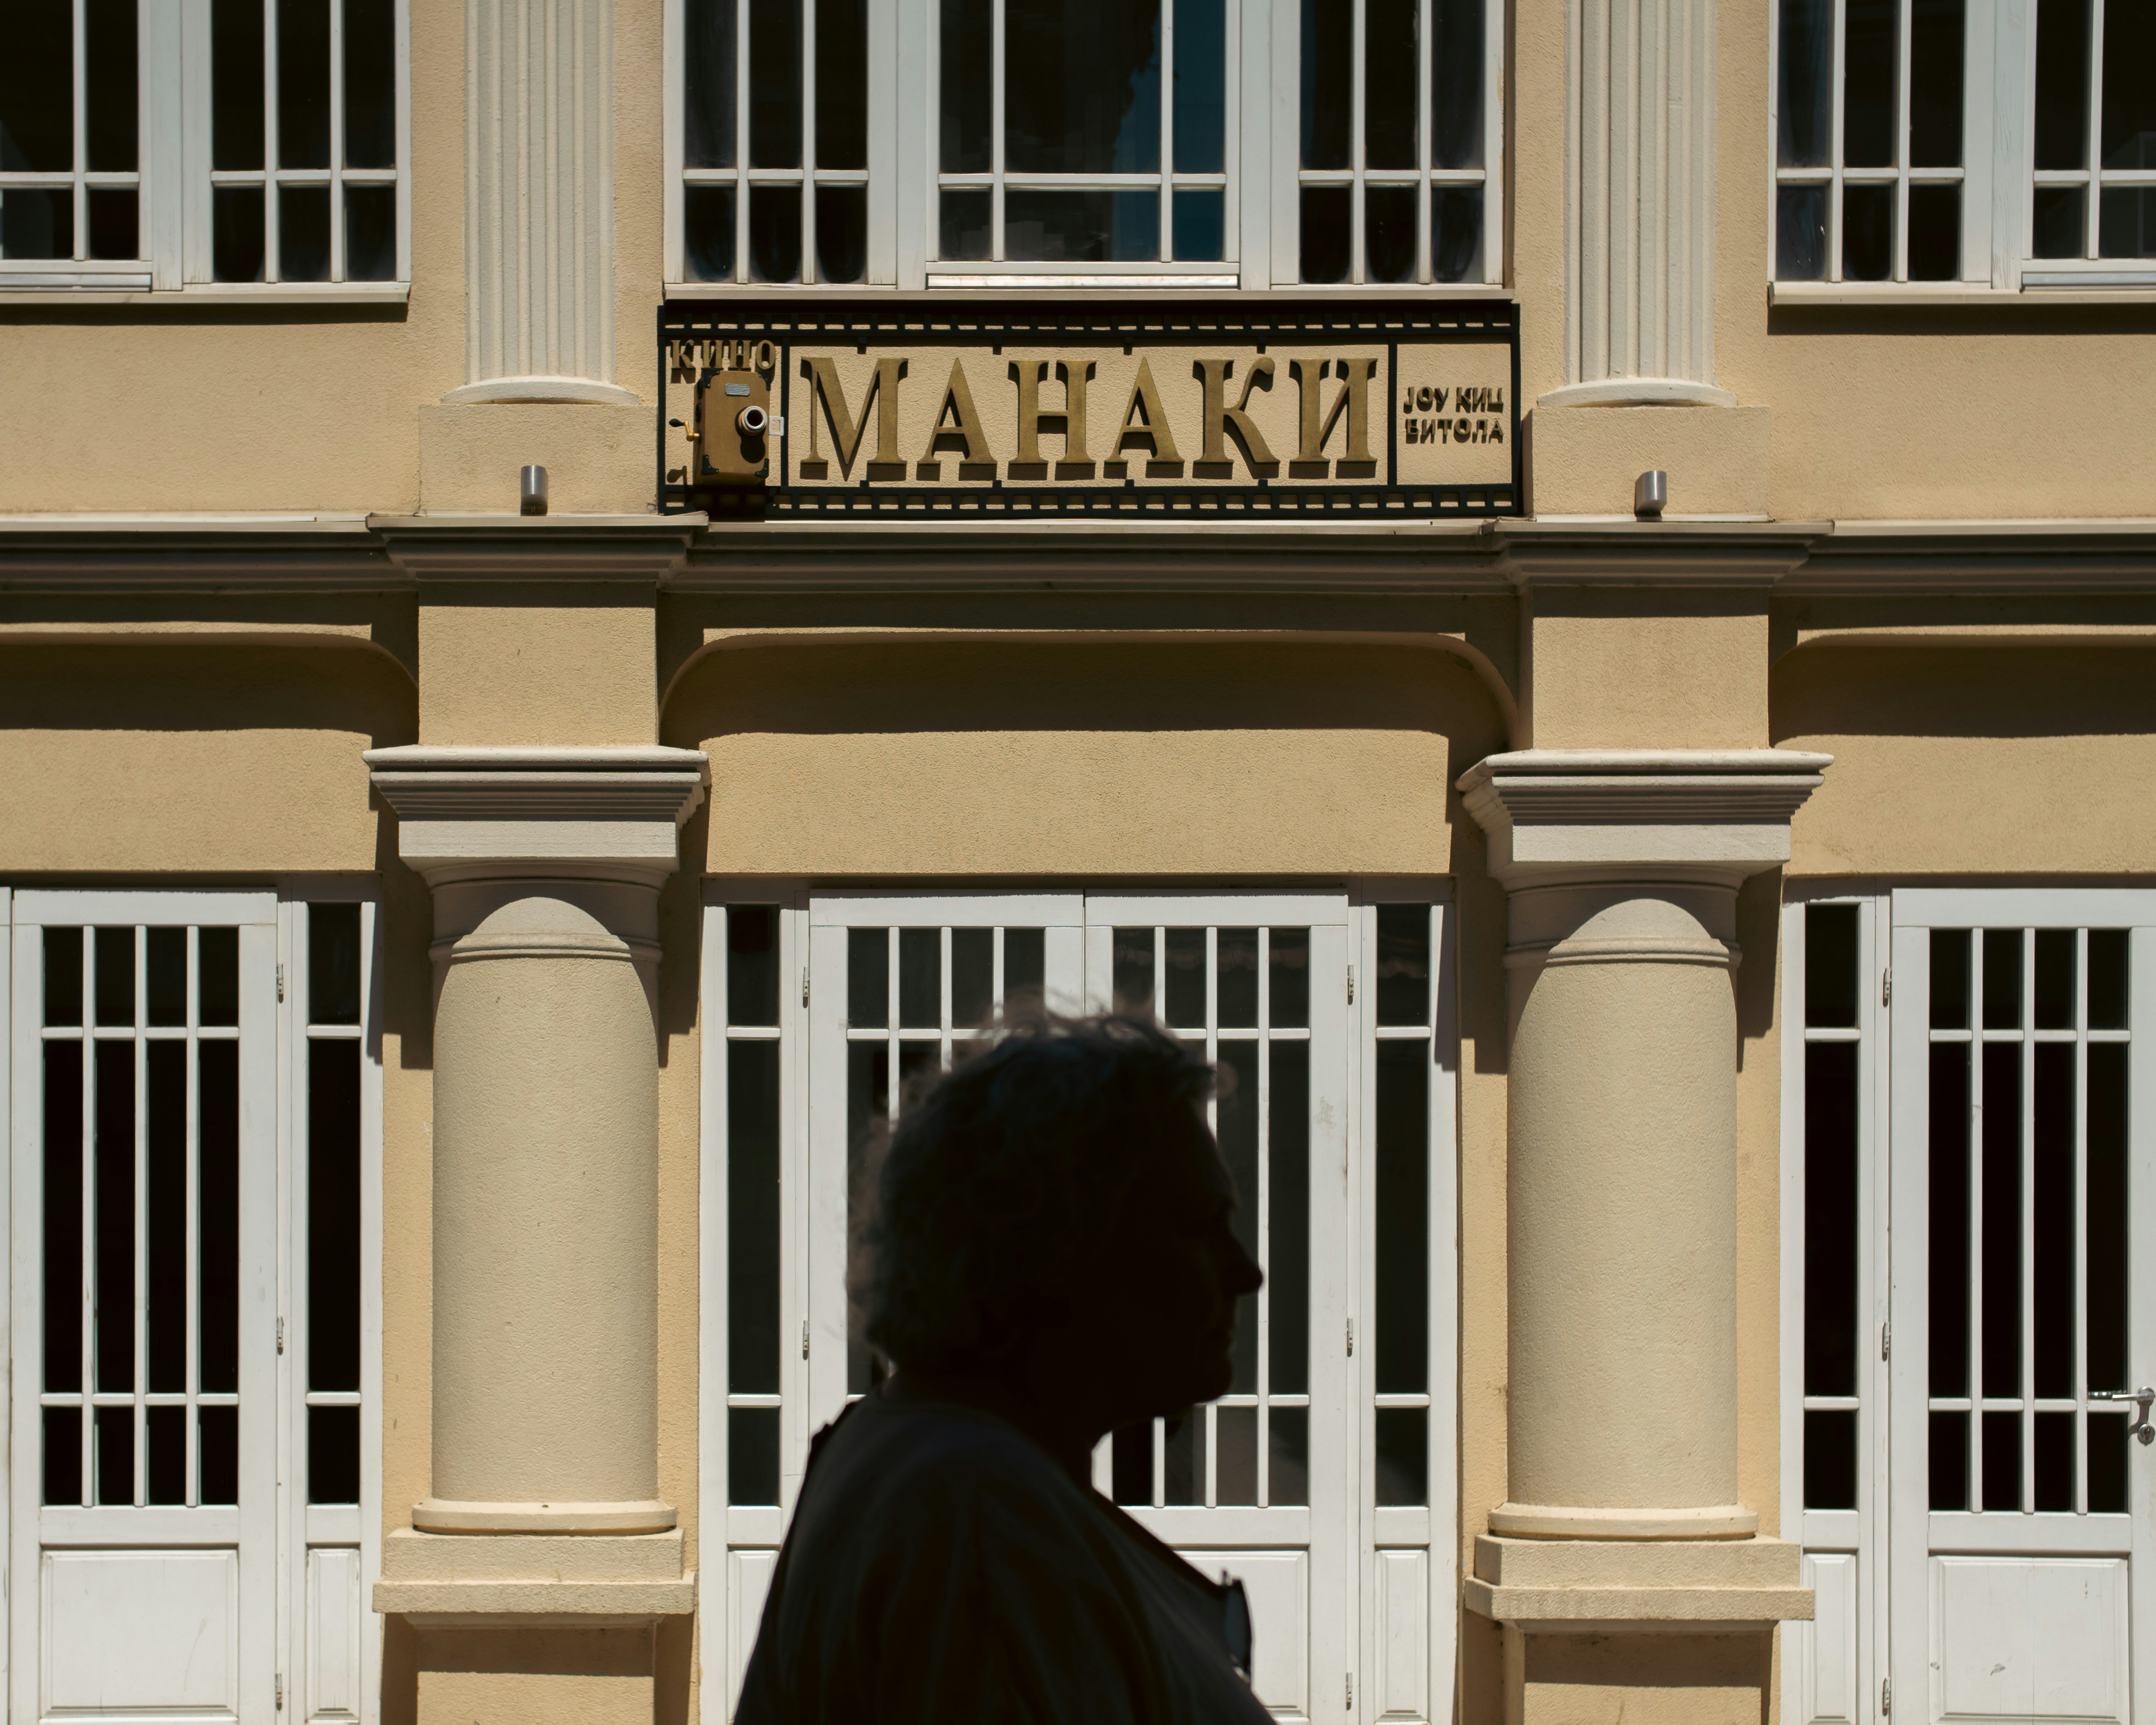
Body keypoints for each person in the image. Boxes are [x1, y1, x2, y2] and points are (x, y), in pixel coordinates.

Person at [734, 1013, 1273, 1724]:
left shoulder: (934, 1460)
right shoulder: (981, 1527)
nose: (1246, 1272)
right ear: (1062, 1243)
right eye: (1200, 1225)